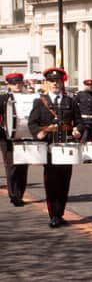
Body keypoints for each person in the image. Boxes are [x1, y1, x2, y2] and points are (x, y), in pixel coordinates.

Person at [28, 67, 83, 227]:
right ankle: (53, 215)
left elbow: (79, 121)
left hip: (66, 147)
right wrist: (38, 133)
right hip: (49, 147)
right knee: (51, 182)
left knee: (64, 181)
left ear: (62, 82)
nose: (55, 84)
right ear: (47, 83)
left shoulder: (70, 101)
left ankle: (60, 213)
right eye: (52, 81)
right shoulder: (40, 102)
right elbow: (32, 123)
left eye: (58, 81)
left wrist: (78, 130)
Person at [0, 73, 29, 206]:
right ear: (9, 85)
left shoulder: (29, 98)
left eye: (19, 83)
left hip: (25, 136)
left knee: (23, 166)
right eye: (14, 83)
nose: (17, 85)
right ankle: (13, 195)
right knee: (11, 166)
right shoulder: (3, 99)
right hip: (7, 138)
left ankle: (20, 194)